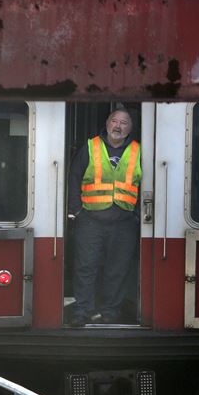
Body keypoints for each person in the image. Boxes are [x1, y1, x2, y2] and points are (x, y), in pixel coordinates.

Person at [68, 109, 141, 326]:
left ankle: (110, 312)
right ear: (107, 123)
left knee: (117, 270)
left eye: (124, 123)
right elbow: (74, 179)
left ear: (131, 127)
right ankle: (82, 311)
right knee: (85, 267)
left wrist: (137, 216)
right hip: (90, 221)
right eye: (115, 121)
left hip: (124, 222)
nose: (118, 126)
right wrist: (76, 211)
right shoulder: (90, 148)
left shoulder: (139, 151)